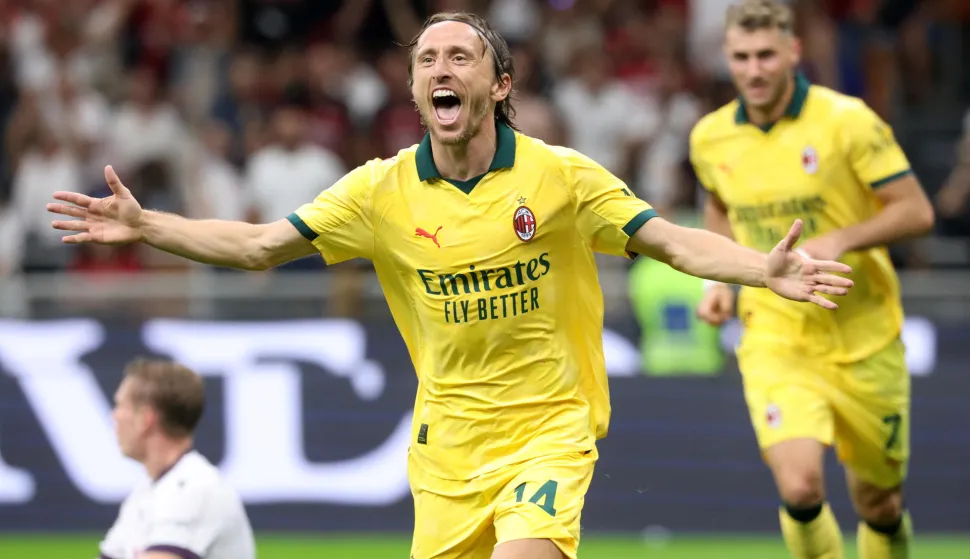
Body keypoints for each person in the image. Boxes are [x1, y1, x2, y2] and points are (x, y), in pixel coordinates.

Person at [51, 12, 853, 559]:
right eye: (426, 60)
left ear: (499, 85)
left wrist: (763, 269)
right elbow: (261, 245)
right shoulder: (378, 191)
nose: (441, 68)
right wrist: (150, 225)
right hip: (446, 449)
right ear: (412, 92)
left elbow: (672, 241)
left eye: (460, 56)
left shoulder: (561, 178)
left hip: (549, 428)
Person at [690, 2, 935, 558]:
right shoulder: (709, 137)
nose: (754, 70)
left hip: (865, 339)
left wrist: (841, 239)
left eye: (766, 56)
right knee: (799, 487)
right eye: (741, 57)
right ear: (728, 58)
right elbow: (718, 208)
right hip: (778, 339)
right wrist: (719, 286)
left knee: (880, 504)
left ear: (794, 52)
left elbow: (916, 210)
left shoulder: (847, 120)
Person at [99, 358, 256, 559]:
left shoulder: (195, 488)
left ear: (145, 419)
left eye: (121, 406)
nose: (115, 416)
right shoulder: (144, 495)